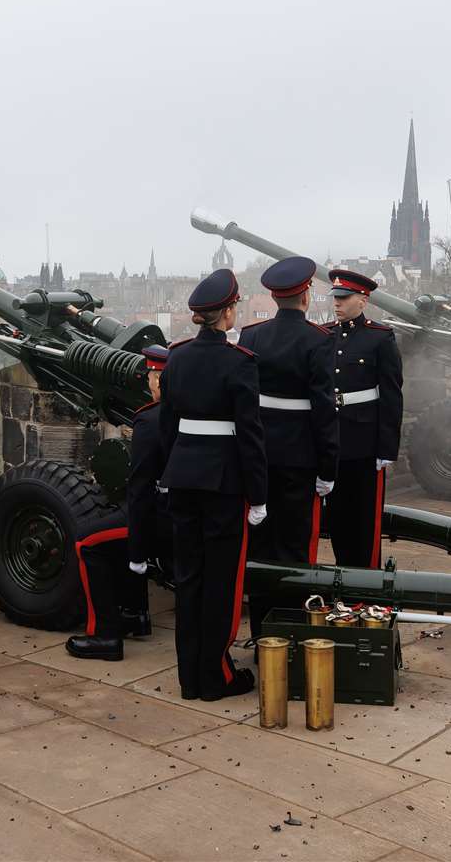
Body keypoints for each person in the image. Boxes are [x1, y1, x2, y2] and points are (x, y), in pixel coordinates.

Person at [159, 269, 269, 700]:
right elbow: (250, 436)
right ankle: (215, 676)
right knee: (222, 582)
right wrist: (258, 496)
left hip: (183, 477)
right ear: (226, 313)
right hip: (224, 483)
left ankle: (190, 677)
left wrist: (170, 472)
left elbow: (167, 425)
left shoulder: (177, 358)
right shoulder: (239, 362)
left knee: (188, 578)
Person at [238, 256, 338, 637]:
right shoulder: (319, 340)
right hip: (300, 460)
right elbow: (324, 412)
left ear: (275, 296)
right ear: (306, 294)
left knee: (261, 548)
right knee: (296, 547)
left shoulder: (252, 336)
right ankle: (293, 631)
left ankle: (264, 633)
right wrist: (328, 469)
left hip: (261, 457)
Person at [67, 344, 173, 662]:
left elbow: (139, 488)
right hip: (184, 513)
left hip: (157, 515)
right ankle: (134, 614)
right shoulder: (193, 411)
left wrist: (139, 543)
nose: (150, 382)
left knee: (88, 542)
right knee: (120, 538)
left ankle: (105, 635)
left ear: (159, 381)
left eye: (153, 376)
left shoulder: (149, 421)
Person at [325, 268, 403, 568]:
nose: (337, 304)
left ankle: (367, 585)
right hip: (333, 439)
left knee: (365, 521)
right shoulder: (325, 335)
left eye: (344, 298)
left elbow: (392, 395)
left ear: (362, 300)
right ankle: (344, 577)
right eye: (336, 298)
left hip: (364, 441)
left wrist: (386, 448)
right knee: (337, 519)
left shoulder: (379, 338)